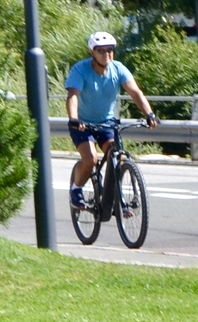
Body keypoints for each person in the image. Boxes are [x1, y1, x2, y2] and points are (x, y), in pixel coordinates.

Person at [64, 31, 157, 215]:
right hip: (82, 124)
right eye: (101, 50)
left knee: (119, 158)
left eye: (110, 50)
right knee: (91, 159)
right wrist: (74, 119)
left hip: (106, 123)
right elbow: (73, 96)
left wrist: (150, 114)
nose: (106, 54)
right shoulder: (80, 70)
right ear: (92, 52)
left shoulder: (118, 69)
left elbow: (136, 93)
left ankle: (116, 199)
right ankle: (76, 189)